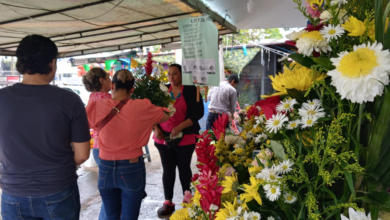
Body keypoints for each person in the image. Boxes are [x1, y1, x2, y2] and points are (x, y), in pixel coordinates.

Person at [0, 35, 91, 220]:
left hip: (13, 193)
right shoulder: (70, 100)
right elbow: (82, 155)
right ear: (52, 63)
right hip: (58, 191)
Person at [86, 69, 169, 220]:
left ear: (112, 85)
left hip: (105, 167)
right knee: (129, 217)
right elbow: (165, 115)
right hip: (132, 167)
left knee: (110, 216)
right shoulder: (141, 106)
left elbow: (85, 121)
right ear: (132, 89)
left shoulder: (99, 105)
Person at [153, 64, 204, 216]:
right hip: (163, 137)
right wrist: (156, 128)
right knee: (168, 170)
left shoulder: (192, 90)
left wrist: (181, 126)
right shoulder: (162, 91)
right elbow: (152, 111)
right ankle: (168, 202)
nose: (171, 77)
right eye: (169, 74)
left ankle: (188, 202)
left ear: (182, 75)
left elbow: (198, 113)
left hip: (185, 136)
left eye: (175, 74)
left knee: (184, 169)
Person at [82, 67, 112, 220]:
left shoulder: (91, 99)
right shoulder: (108, 99)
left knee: (108, 192)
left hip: (97, 147)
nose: (110, 80)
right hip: (109, 148)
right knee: (112, 194)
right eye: (108, 77)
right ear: (102, 80)